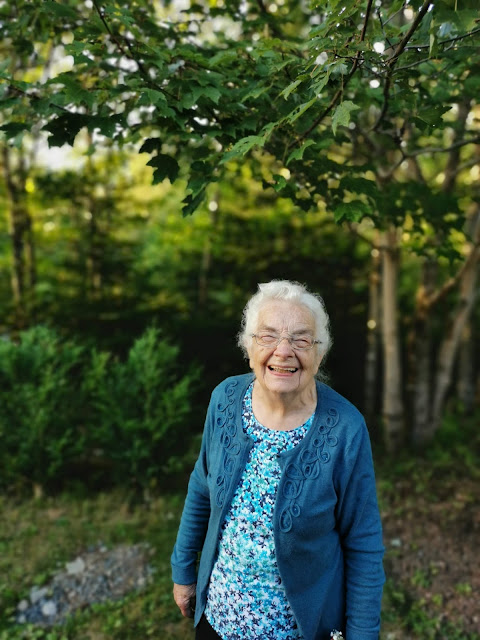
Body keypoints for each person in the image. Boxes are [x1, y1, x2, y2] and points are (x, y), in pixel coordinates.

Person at [171, 280, 385, 640]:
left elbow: (363, 543)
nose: (283, 351)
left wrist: (363, 634)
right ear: (249, 345)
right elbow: (201, 486)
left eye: (301, 339)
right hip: (217, 622)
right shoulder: (224, 398)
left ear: (319, 353)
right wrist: (183, 571)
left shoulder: (346, 429)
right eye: (268, 336)